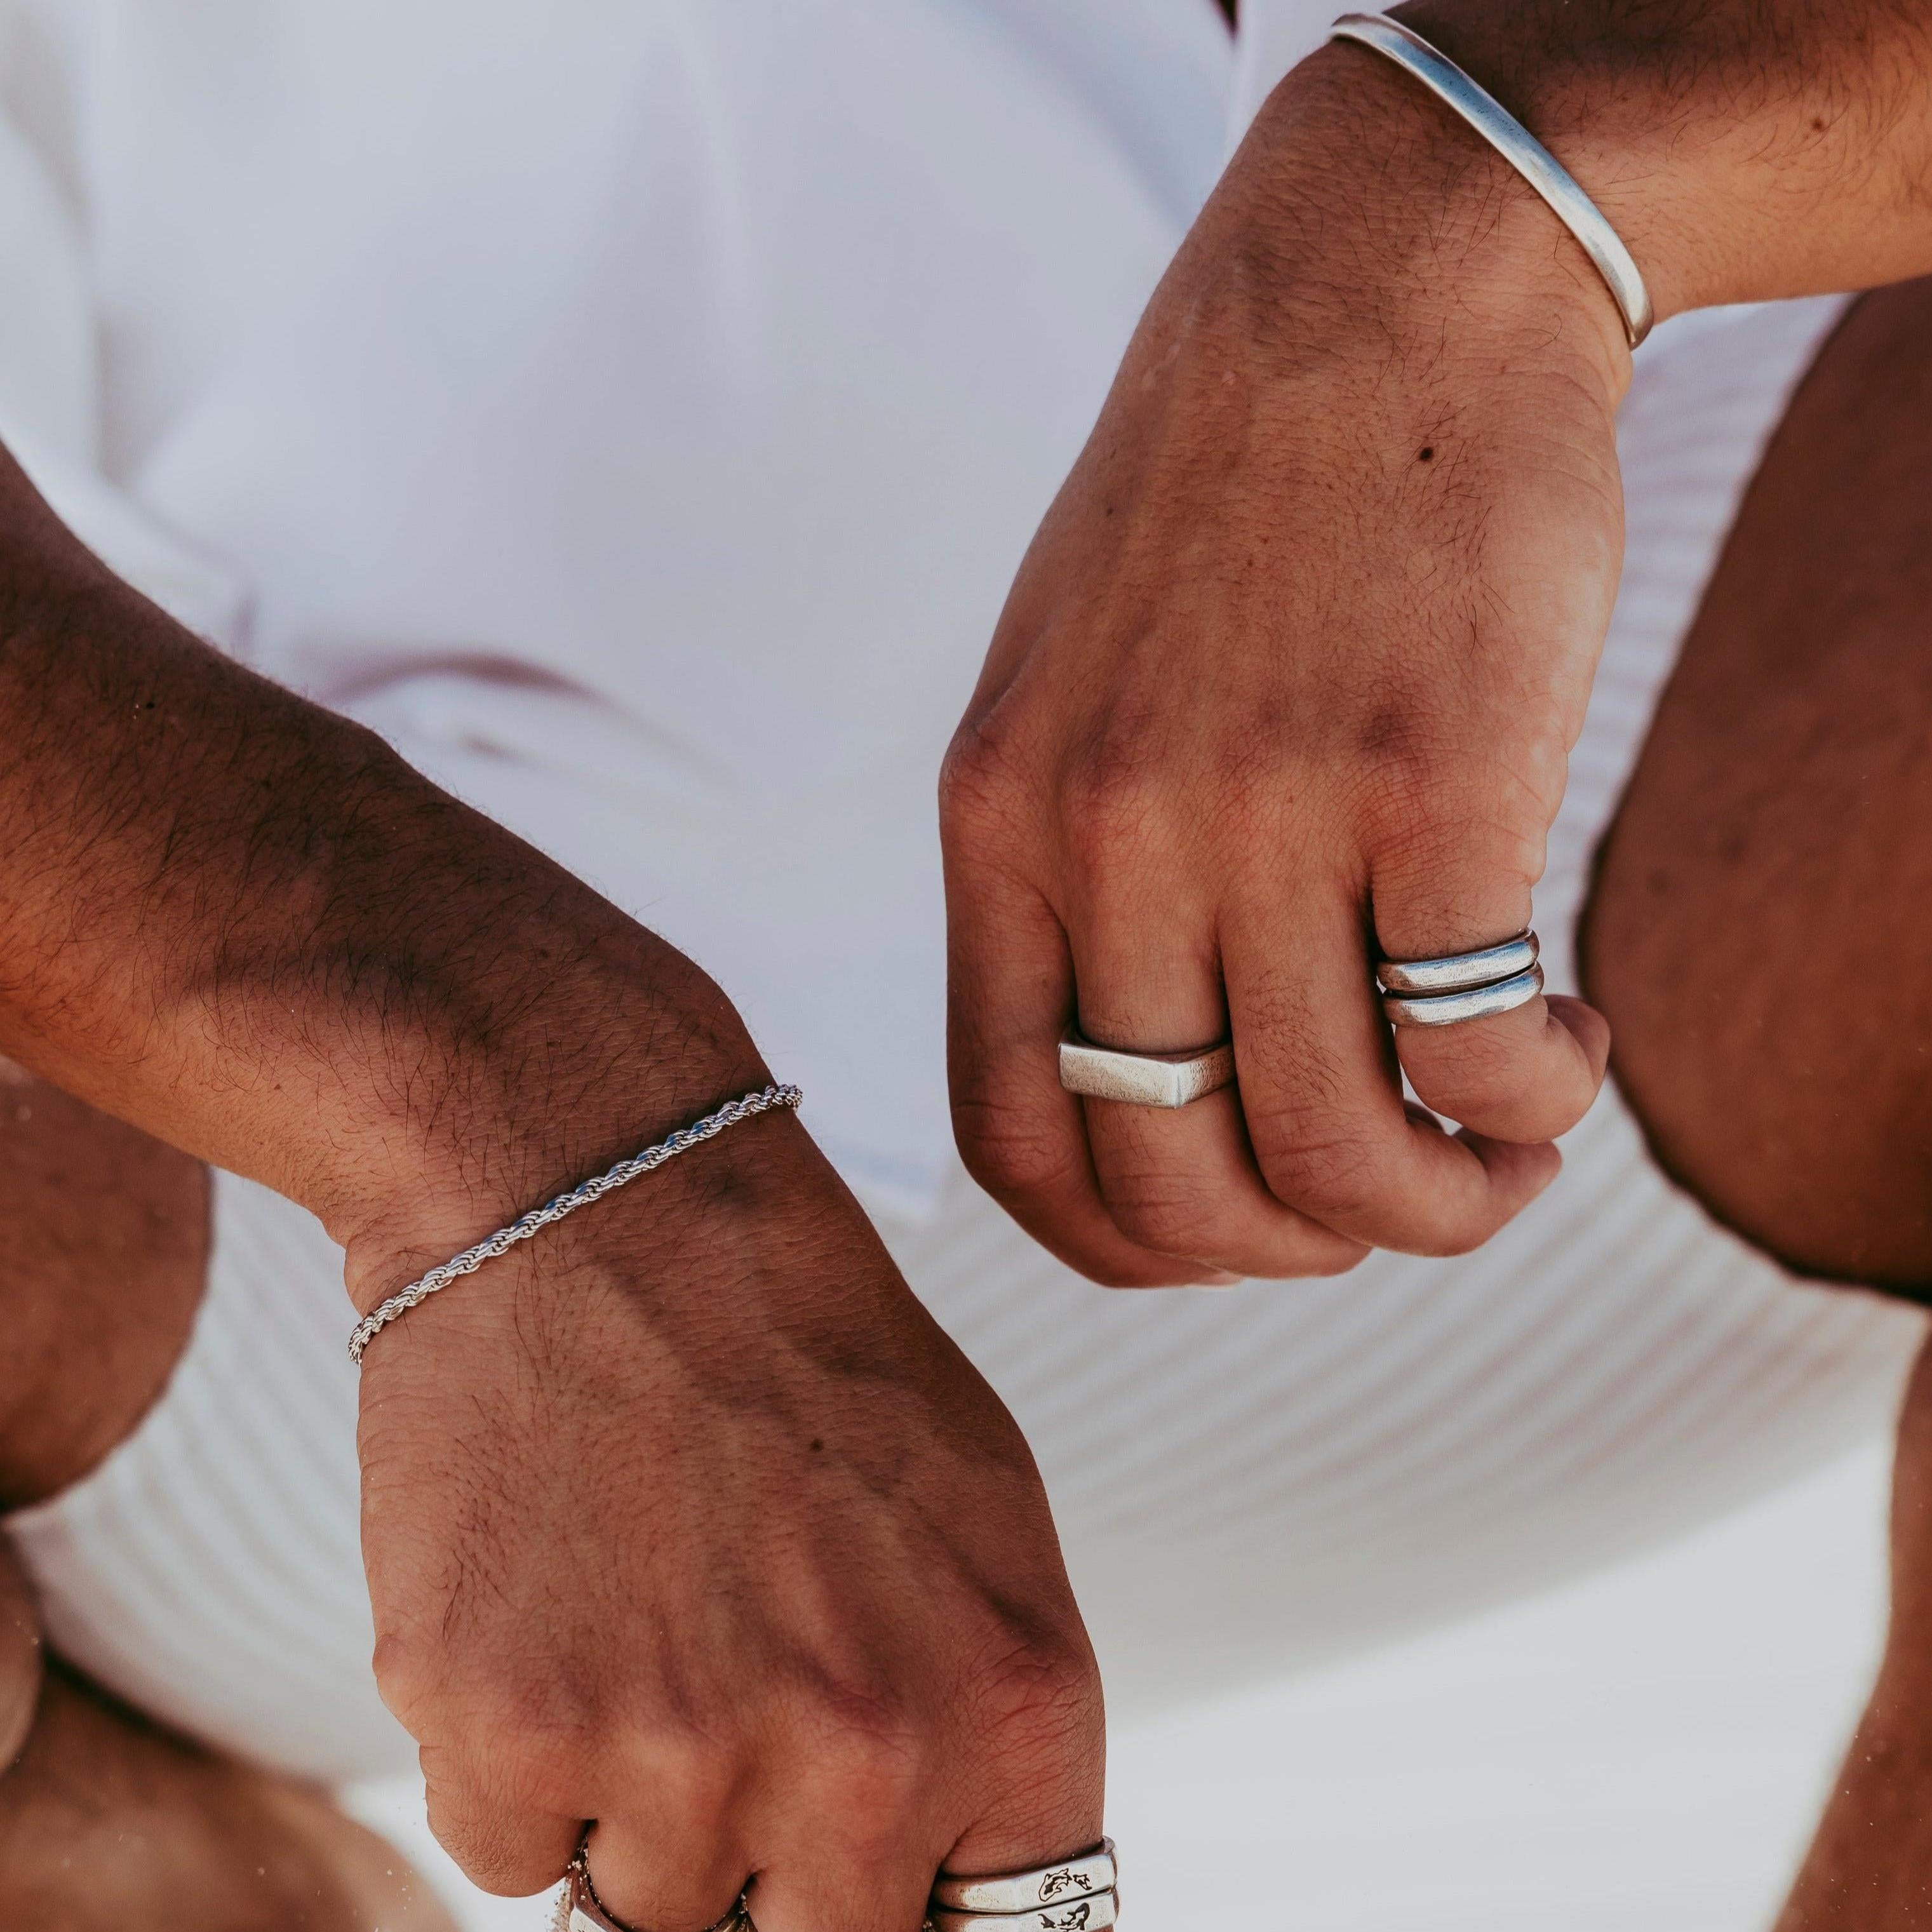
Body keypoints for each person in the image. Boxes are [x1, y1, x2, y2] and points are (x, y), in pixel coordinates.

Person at [0, 1, 1928, 1928]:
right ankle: (127, 1851)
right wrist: (502, 1109)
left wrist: (1476, 190)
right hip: (229, 962)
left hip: (1633, 650)